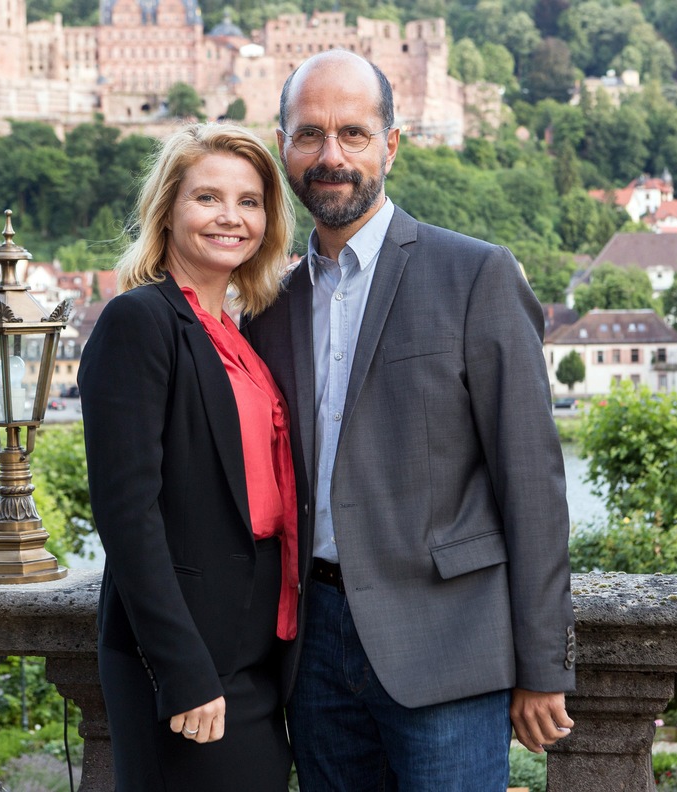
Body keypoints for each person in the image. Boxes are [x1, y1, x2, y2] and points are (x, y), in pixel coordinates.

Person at [244, 50, 577, 791]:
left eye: (354, 134)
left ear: (391, 145)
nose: (331, 156)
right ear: (283, 147)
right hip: (313, 654)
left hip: (449, 646)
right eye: (310, 135)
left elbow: (532, 482)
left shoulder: (476, 274)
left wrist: (542, 664)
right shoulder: (269, 306)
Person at [77, 122, 298, 791]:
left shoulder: (240, 331)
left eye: (251, 201)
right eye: (208, 198)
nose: (231, 216)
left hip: (256, 643)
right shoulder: (138, 322)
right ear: (168, 210)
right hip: (187, 656)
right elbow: (127, 513)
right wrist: (183, 669)